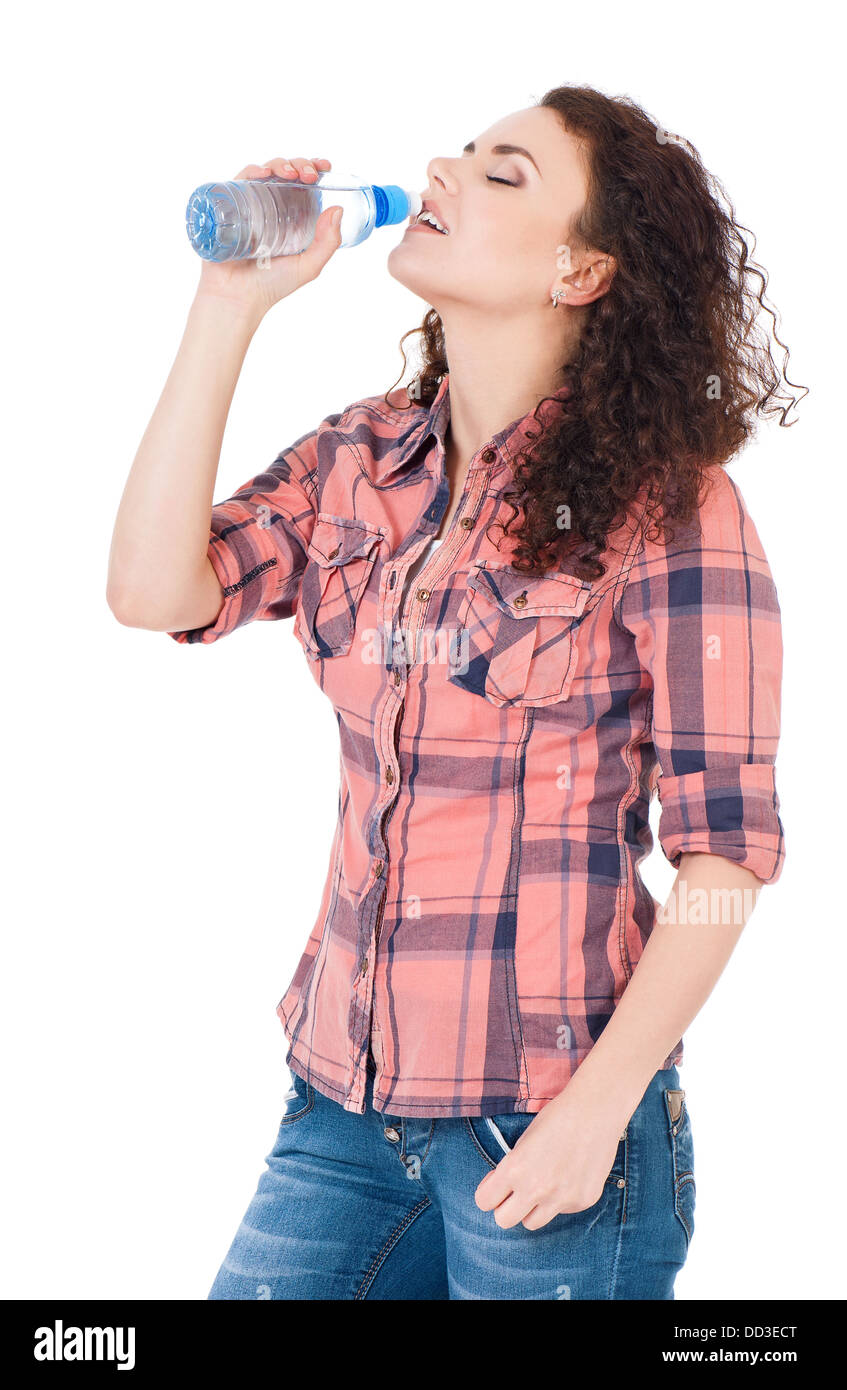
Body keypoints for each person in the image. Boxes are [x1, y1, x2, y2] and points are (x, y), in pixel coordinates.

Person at [107, 85, 801, 1300]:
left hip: (543, 1129)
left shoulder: (673, 514)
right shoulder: (359, 463)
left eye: (502, 172)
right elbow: (154, 590)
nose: (444, 166)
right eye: (465, 150)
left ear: (579, 270)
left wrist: (598, 1106)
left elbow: (722, 858)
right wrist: (228, 306)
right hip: (339, 1107)